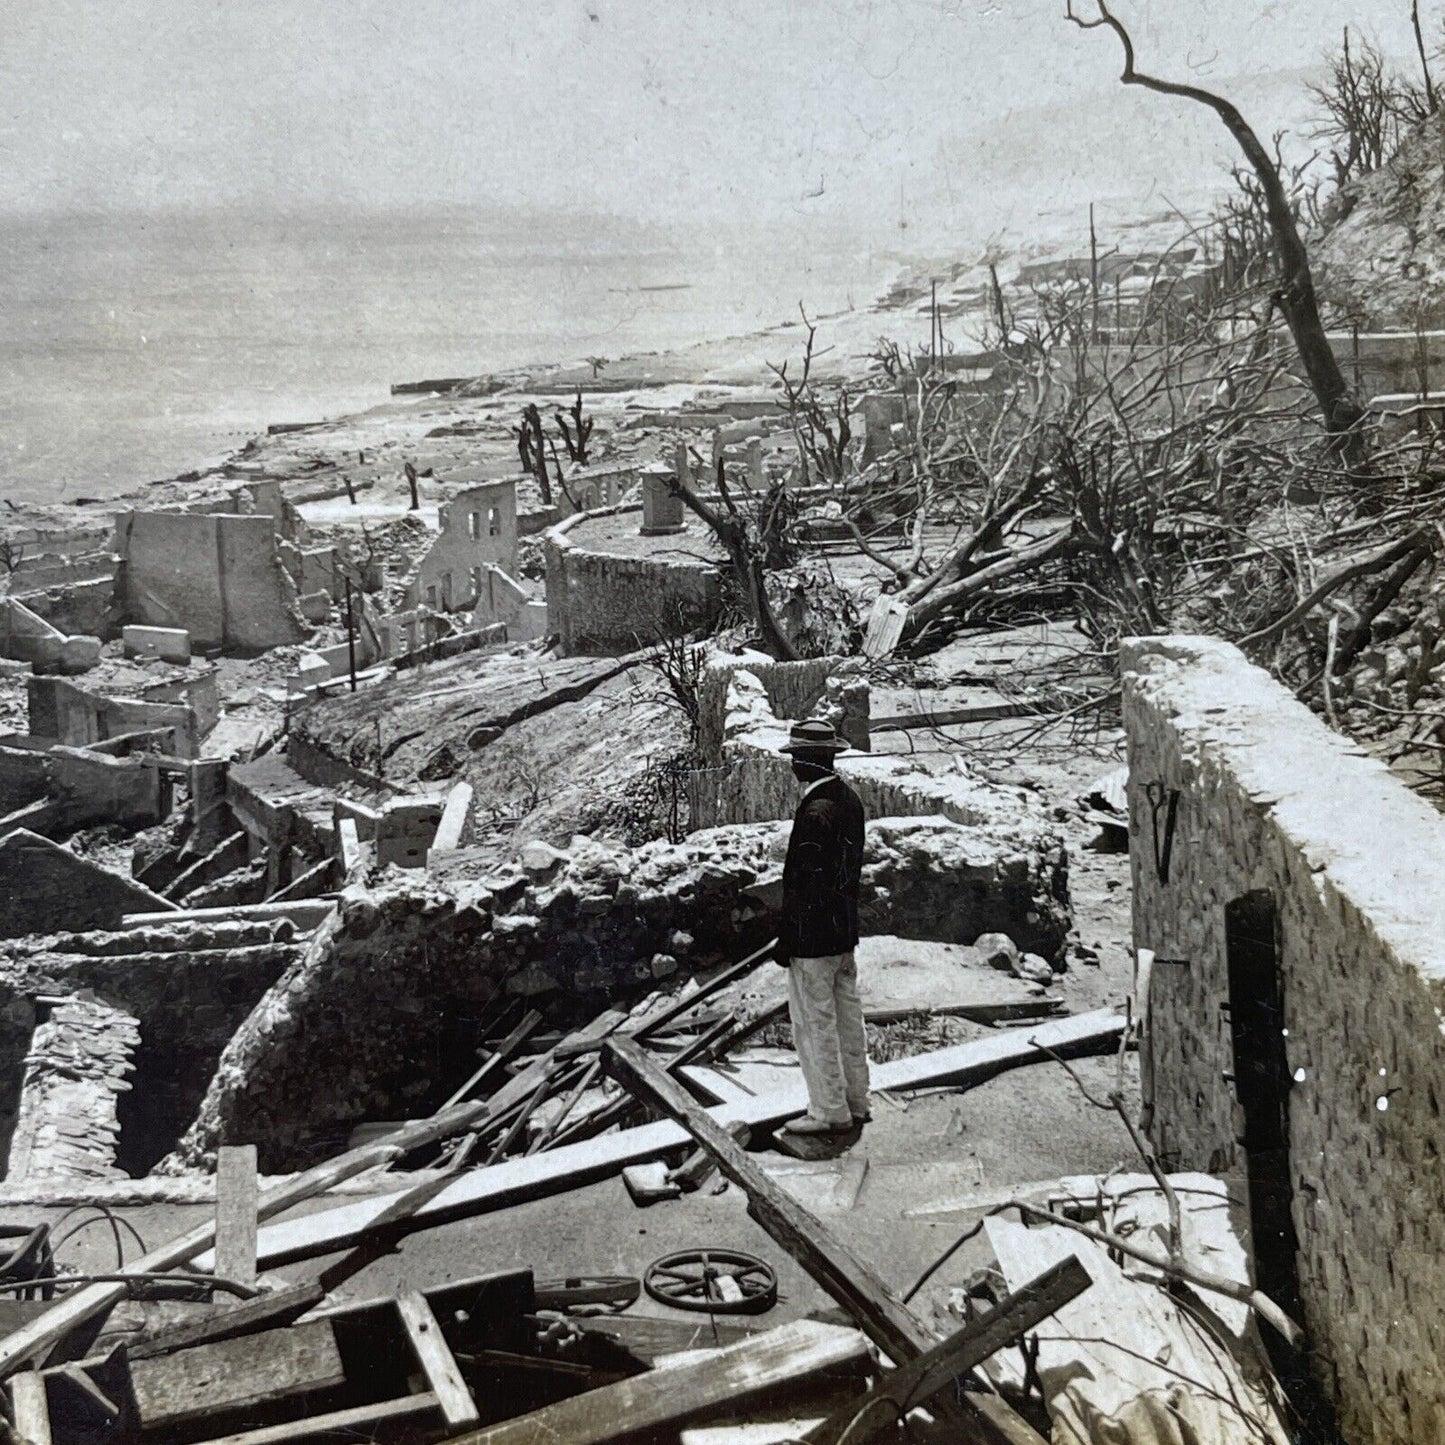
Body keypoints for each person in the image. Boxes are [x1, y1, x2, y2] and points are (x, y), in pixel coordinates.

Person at [774, 718, 869, 1136]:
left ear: (808, 762)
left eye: (796, 758)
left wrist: (788, 937)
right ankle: (857, 1100)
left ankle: (829, 1110)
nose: (793, 765)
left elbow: (806, 885)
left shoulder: (815, 812)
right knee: (849, 1019)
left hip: (813, 939)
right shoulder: (848, 800)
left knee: (815, 1025)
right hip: (843, 932)